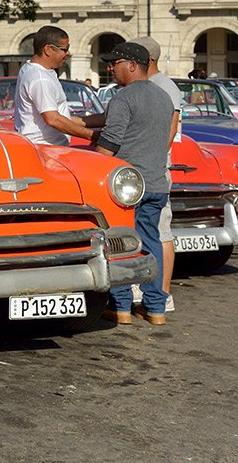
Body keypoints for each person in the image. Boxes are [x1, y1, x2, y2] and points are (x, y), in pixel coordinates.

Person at [93, 41, 175, 326]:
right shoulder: (163, 97)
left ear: (131, 65)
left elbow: (110, 144)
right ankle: (156, 309)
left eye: (114, 64)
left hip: (127, 189)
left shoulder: (123, 98)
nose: (110, 68)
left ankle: (121, 307)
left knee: (120, 245)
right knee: (151, 243)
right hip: (156, 182)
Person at [129, 36, 182, 313]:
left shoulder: (165, 87)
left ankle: (163, 292)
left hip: (156, 169)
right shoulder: (152, 86)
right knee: (149, 231)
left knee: (161, 232)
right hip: (148, 169)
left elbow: (170, 132)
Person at [14, 26, 98, 145]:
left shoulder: (32, 69)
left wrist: (101, 120)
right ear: (48, 50)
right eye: (65, 49)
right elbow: (53, 119)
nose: (68, 53)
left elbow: (61, 116)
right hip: (45, 149)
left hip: (45, 148)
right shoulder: (40, 78)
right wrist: (93, 136)